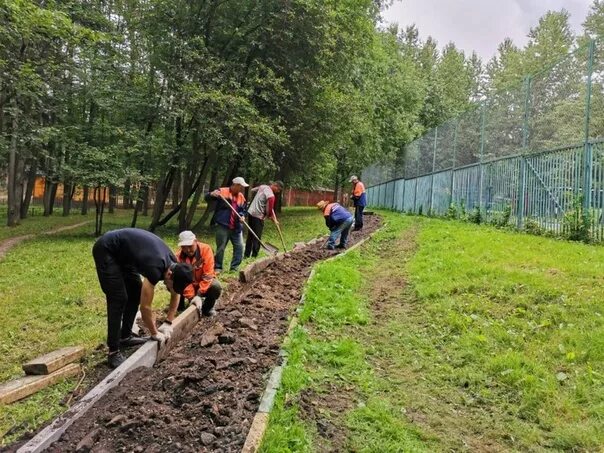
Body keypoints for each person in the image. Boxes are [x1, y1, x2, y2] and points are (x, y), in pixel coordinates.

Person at [92, 228, 194, 368]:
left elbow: (175, 293)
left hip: (125, 256)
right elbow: (145, 307)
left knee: (135, 292)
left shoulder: (174, 265)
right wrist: (155, 333)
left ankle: (125, 336)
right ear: (169, 274)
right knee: (118, 298)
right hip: (107, 250)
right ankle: (113, 352)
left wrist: (168, 322)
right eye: (171, 285)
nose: (168, 288)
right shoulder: (155, 268)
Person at [205, 177, 248, 272]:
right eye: (241, 187)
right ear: (235, 185)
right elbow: (207, 198)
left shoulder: (241, 197)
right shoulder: (222, 191)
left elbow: (243, 210)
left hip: (236, 227)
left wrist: (242, 216)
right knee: (221, 247)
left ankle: (234, 267)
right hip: (223, 225)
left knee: (240, 247)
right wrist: (212, 194)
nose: (242, 189)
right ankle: (218, 267)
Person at [175, 230, 222, 316]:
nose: (188, 250)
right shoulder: (178, 258)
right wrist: (192, 297)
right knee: (175, 282)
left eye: (190, 246)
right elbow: (184, 281)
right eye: (184, 247)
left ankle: (207, 308)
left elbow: (208, 275)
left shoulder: (206, 250)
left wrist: (199, 295)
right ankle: (180, 305)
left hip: (203, 283)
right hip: (189, 285)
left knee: (216, 286)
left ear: (196, 242)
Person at [244, 181, 284, 258]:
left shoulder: (263, 187)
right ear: (275, 186)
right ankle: (254, 256)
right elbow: (269, 211)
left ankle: (246, 255)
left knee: (250, 235)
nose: (278, 192)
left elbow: (253, 190)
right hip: (258, 217)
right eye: (278, 190)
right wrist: (273, 220)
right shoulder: (271, 196)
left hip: (251, 213)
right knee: (257, 237)